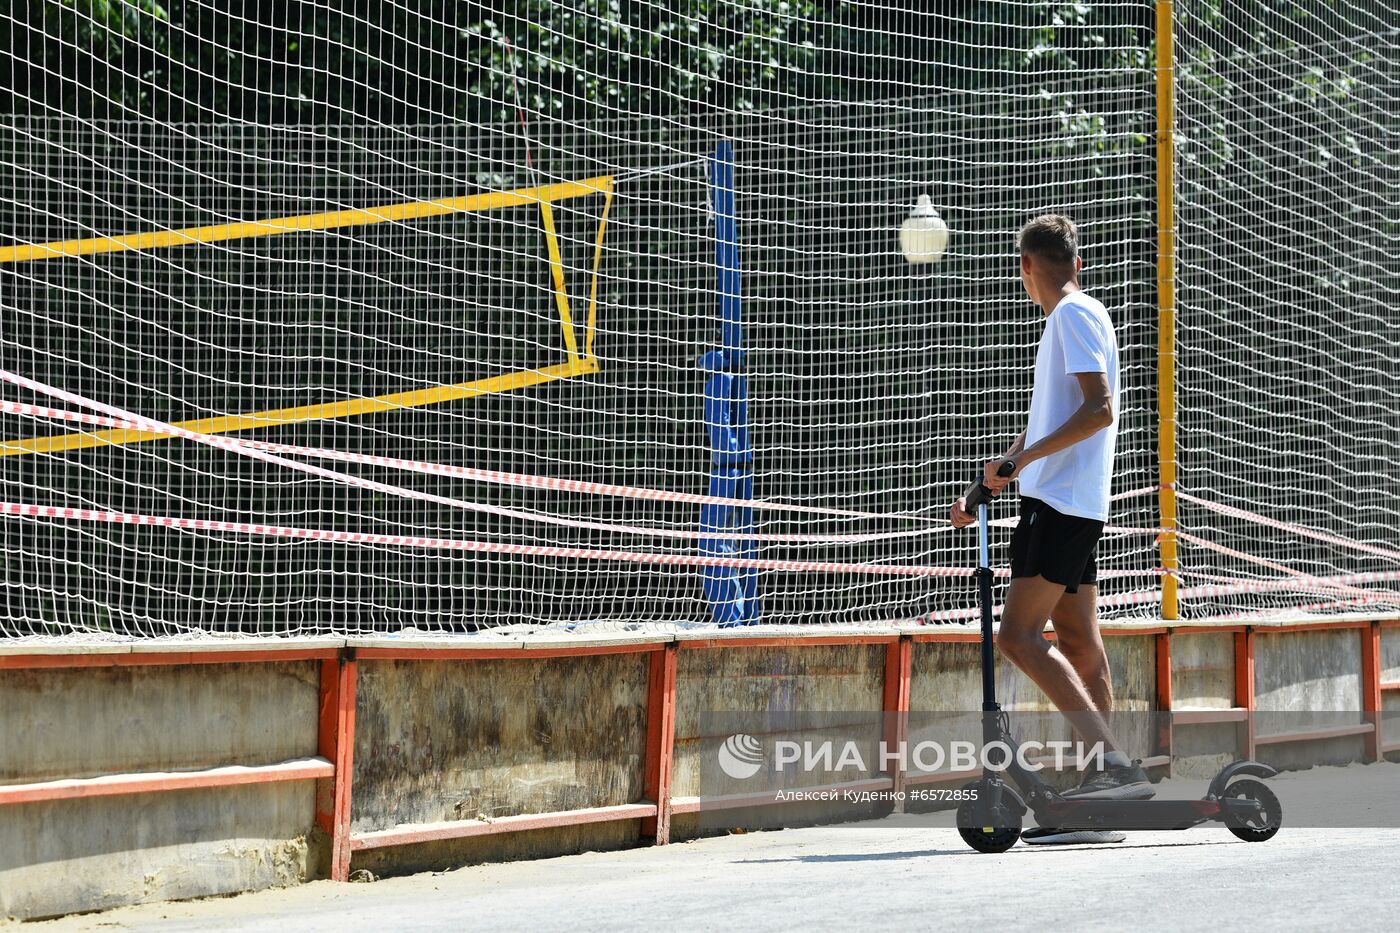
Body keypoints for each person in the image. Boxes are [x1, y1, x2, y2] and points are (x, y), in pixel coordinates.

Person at [949, 214, 1149, 845]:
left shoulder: (1070, 315)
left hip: (1059, 504)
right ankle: (1104, 796)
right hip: (1073, 502)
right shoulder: (1084, 315)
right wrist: (990, 483)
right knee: (1080, 643)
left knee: (1016, 636)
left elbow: (1099, 410)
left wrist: (1024, 464)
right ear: (1078, 261)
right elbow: (1052, 422)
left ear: (1026, 268)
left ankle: (1113, 766)